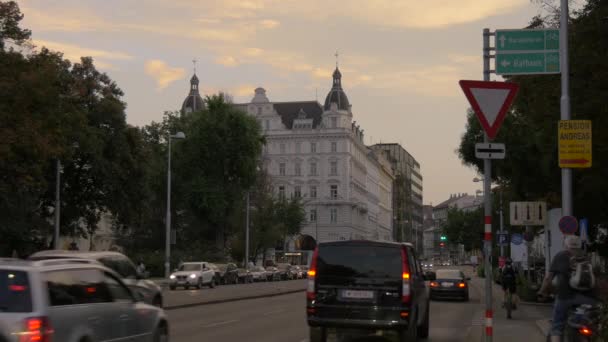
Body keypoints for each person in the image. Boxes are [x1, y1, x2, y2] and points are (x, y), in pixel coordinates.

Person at [538, 235, 596, 341]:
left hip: (565, 297)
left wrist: (542, 291)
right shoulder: (586, 256)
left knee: (557, 326)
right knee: (588, 324)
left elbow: (548, 278)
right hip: (588, 298)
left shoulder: (561, 255)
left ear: (565, 245)